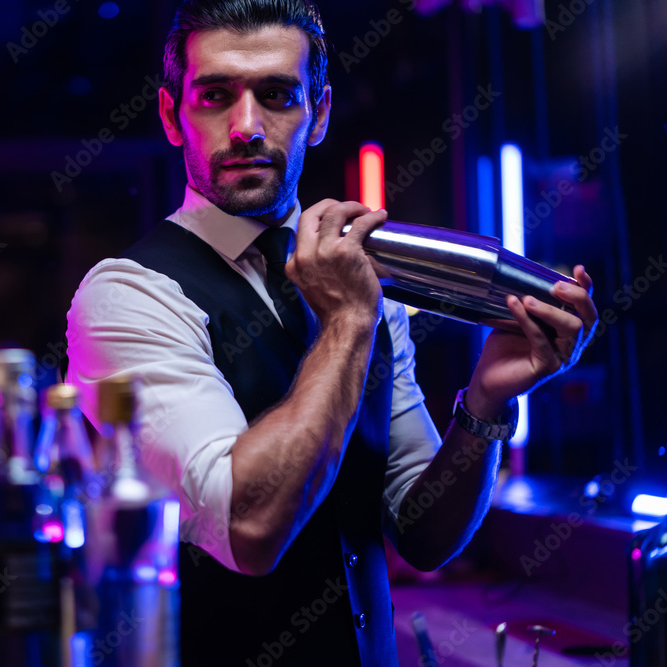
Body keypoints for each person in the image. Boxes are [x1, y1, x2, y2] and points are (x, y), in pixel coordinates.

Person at [65, 0, 598, 664]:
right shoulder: (127, 297)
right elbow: (250, 527)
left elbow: (422, 532)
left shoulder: (363, 281)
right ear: (174, 115)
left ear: (317, 114)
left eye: (277, 95)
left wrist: (488, 402)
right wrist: (347, 322)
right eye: (215, 95)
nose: (246, 126)